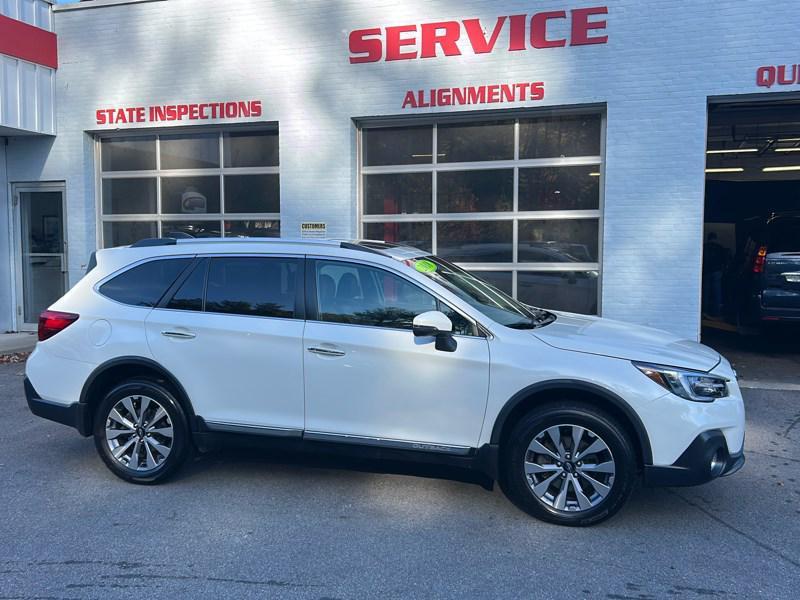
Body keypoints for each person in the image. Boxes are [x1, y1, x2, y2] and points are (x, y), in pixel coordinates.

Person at [703, 232, 727, 319]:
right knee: (717, 292)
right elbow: (724, 260)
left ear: (708, 238)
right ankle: (716, 312)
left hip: (706, 271)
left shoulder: (704, 247)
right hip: (717, 271)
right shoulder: (719, 247)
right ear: (715, 238)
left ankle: (704, 311)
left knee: (706, 291)